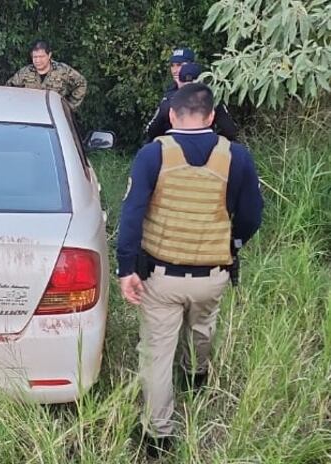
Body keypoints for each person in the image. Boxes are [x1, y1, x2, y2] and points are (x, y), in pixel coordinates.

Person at [116, 83, 263, 457]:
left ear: (171, 115)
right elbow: (250, 217)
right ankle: (196, 374)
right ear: (211, 117)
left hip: (160, 277)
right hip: (213, 274)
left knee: (156, 353)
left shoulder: (153, 155)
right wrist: (232, 245)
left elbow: (132, 215)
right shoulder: (237, 157)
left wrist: (126, 268)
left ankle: (159, 435)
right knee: (203, 324)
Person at [145, 62, 239, 141]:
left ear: (179, 83)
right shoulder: (212, 103)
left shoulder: (169, 104)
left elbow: (151, 132)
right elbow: (231, 131)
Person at [6, 39, 87, 113]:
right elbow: (8, 89)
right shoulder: (24, 73)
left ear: (49, 55)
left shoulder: (62, 71)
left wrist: (69, 106)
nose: (38, 60)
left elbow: (81, 83)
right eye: (35, 57)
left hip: (55, 116)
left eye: (41, 57)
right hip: (29, 115)